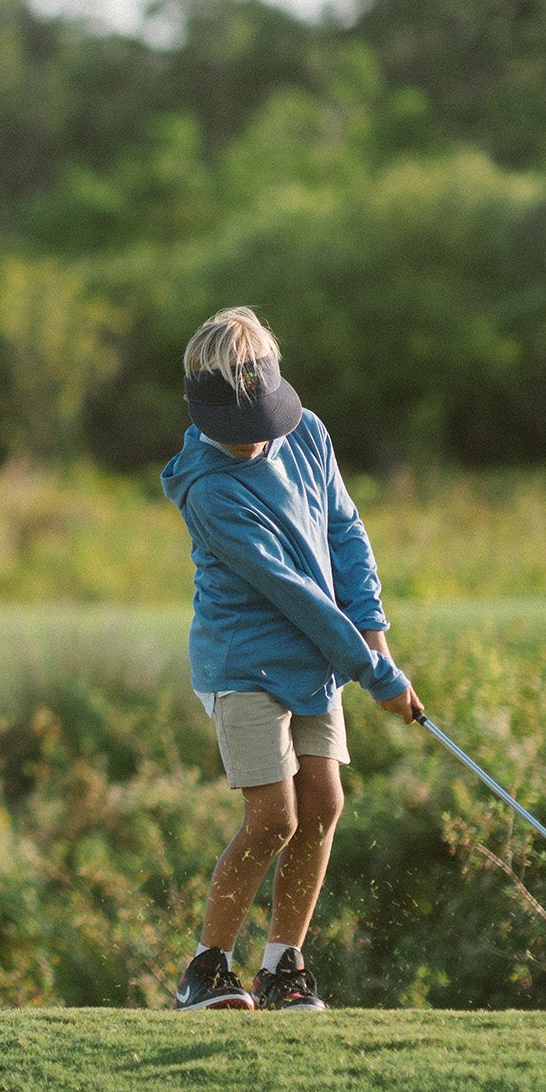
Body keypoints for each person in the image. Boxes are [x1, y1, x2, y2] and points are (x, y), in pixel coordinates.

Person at [159, 306, 423, 1013]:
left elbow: (345, 532)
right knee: (274, 816)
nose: (252, 439)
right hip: (244, 663)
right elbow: (293, 592)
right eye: (235, 427)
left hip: (318, 657)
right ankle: (206, 969)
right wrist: (376, 675)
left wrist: (376, 641)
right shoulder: (210, 490)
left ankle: (282, 968)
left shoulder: (305, 432)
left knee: (324, 803)